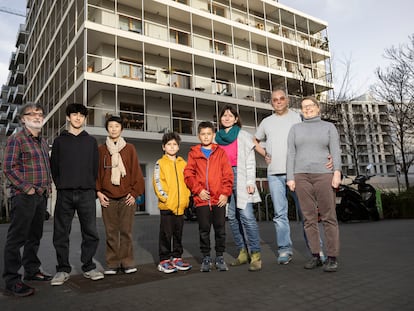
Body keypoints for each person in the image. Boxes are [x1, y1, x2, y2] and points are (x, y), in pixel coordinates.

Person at [50, 103, 103, 286]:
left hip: (87, 193)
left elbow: (95, 168)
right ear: (68, 117)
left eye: (81, 115)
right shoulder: (59, 141)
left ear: (85, 119)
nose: (78, 117)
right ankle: (62, 269)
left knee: (90, 232)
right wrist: (61, 185)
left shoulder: (91, 141)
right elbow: (54, 167)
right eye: (74, 114)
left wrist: (91, 188)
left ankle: (88, 267)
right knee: (61, 233)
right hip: (65, 193)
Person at [2, 103, 52, 297]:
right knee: (16, 239)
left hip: (41, 196)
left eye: (40, 113)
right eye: (31, 114)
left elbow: (44, 168)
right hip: (24, 197)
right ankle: (12, 280)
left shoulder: (43, 141)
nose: (37, 116)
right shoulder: (17, 139)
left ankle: (31, 271)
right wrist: (27, 188)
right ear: (23, 119)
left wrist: (46, 188)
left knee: (34, 237)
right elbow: (9, 167)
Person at [286, 97, 341, 272]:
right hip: (301, 176)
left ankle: (332, 257)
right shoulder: (295, 129)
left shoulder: (328, 127)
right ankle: (316, 255)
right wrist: (290, 177)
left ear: (318, 108)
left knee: (328, 217)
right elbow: (291, 154)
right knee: (309, 219)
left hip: (324, 175)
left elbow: (335, 150)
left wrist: (337, 172)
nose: (307, 109)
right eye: (304, 107)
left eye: (311, 106)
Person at [254, 89, 302, 264]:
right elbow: (254, 141)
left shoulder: (297, 118)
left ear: (287, 100)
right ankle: (284, 249)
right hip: (274, 174)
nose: (279, 101)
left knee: (306, 212)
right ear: (271, 103)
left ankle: (315, 248)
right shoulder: (266, 122)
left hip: (296, 173)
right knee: (280, 214)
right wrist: (264, 153)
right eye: (275, 100)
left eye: (282, 98)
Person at [215, 105, 262, 271]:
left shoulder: (243, 135)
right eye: (224, 115)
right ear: (220, 119)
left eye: (230, 115)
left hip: (241, 176)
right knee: (232, 217)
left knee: (247, 216)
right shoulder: (216, 138)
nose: (227, 118)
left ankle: (255, 254)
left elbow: (250, 161)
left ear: (236, 119)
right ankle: (243, 253)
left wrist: (250, 182)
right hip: (224, 179)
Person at [96, 115, 145, 275]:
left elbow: (136, 172)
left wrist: (134, 193)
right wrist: (98, 192)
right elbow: (97, 173)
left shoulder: (129, 148)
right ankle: (112, 264)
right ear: (107, 129)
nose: (114, 129)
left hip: (126, 197)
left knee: (126, 231)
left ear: (121, 129)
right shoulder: (101, 149)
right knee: (111, 232)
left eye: (117, 126)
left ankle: (127, 262)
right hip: (108, 197)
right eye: (111, 126)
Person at [184, 121, 233, 272]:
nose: (206, 137)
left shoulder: (220, 152)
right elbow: (188, 174)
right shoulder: (193, 153)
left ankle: (219, 257)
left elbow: (228, 174)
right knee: (204, 229)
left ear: (213, 135)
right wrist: (198, 190)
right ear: (199, 136)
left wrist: (225, 193)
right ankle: (206, 257)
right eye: (203, 134)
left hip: (219, 199)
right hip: (202, 199)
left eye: (208, 134)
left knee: (220, 229)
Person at [153, 132, 192, 274]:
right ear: (164, 147)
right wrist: (167, 199)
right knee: (165, 233)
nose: (172, 146)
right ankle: (164, 260)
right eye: (169, 144)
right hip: (167, 206)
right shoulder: (160, 163)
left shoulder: (184, 163)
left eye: (174, 144)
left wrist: (186, 198)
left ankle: (176, 257)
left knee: (178, 233)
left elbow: (188, 183)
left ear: (178, 147)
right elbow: (158, 183)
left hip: (180, 206)